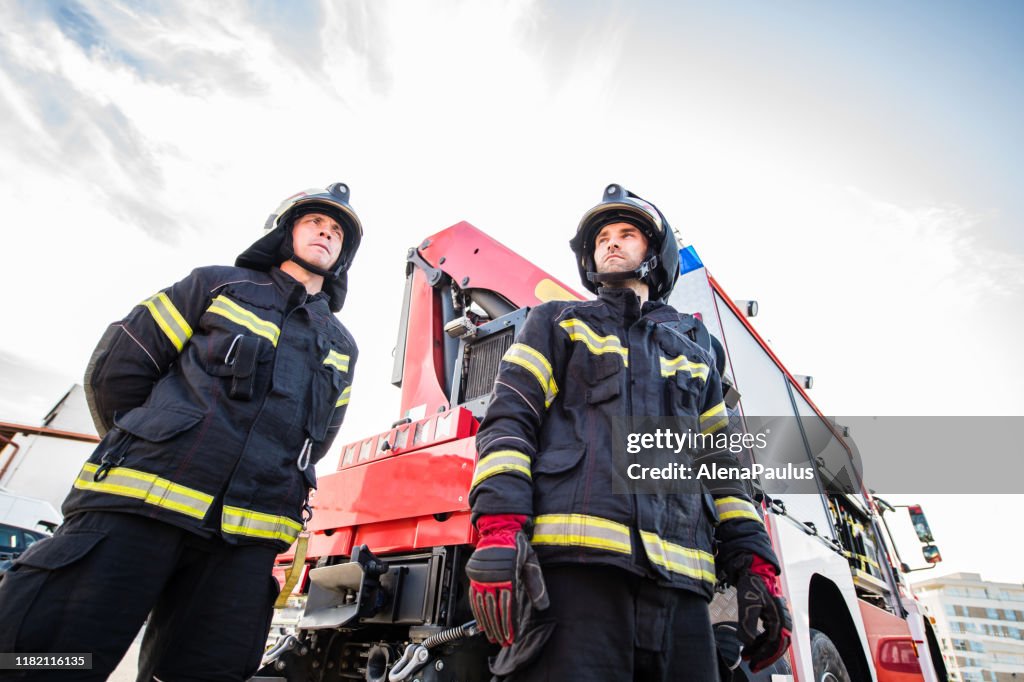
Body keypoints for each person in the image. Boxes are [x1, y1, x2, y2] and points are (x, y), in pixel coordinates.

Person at [0, 183, 362, 681]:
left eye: (337, 231)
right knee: (44, 660)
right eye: (314, 222)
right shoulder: (216, 286)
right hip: (136, 514)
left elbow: (316, 438)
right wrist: (154, 443)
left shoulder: (341, 344)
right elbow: (118, 371)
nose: (326, 232)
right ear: (283, 232)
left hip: (242, 546)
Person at [465, 184, 792, 681]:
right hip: (576, 582)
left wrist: (757, 568)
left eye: (627, 234)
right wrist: (499, 527)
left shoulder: (696, 351)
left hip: (682, 597)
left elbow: (725, 472)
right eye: (602, 238)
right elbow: (509, 423)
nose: (611, 244)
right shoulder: (556, 323)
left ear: (655, 254)